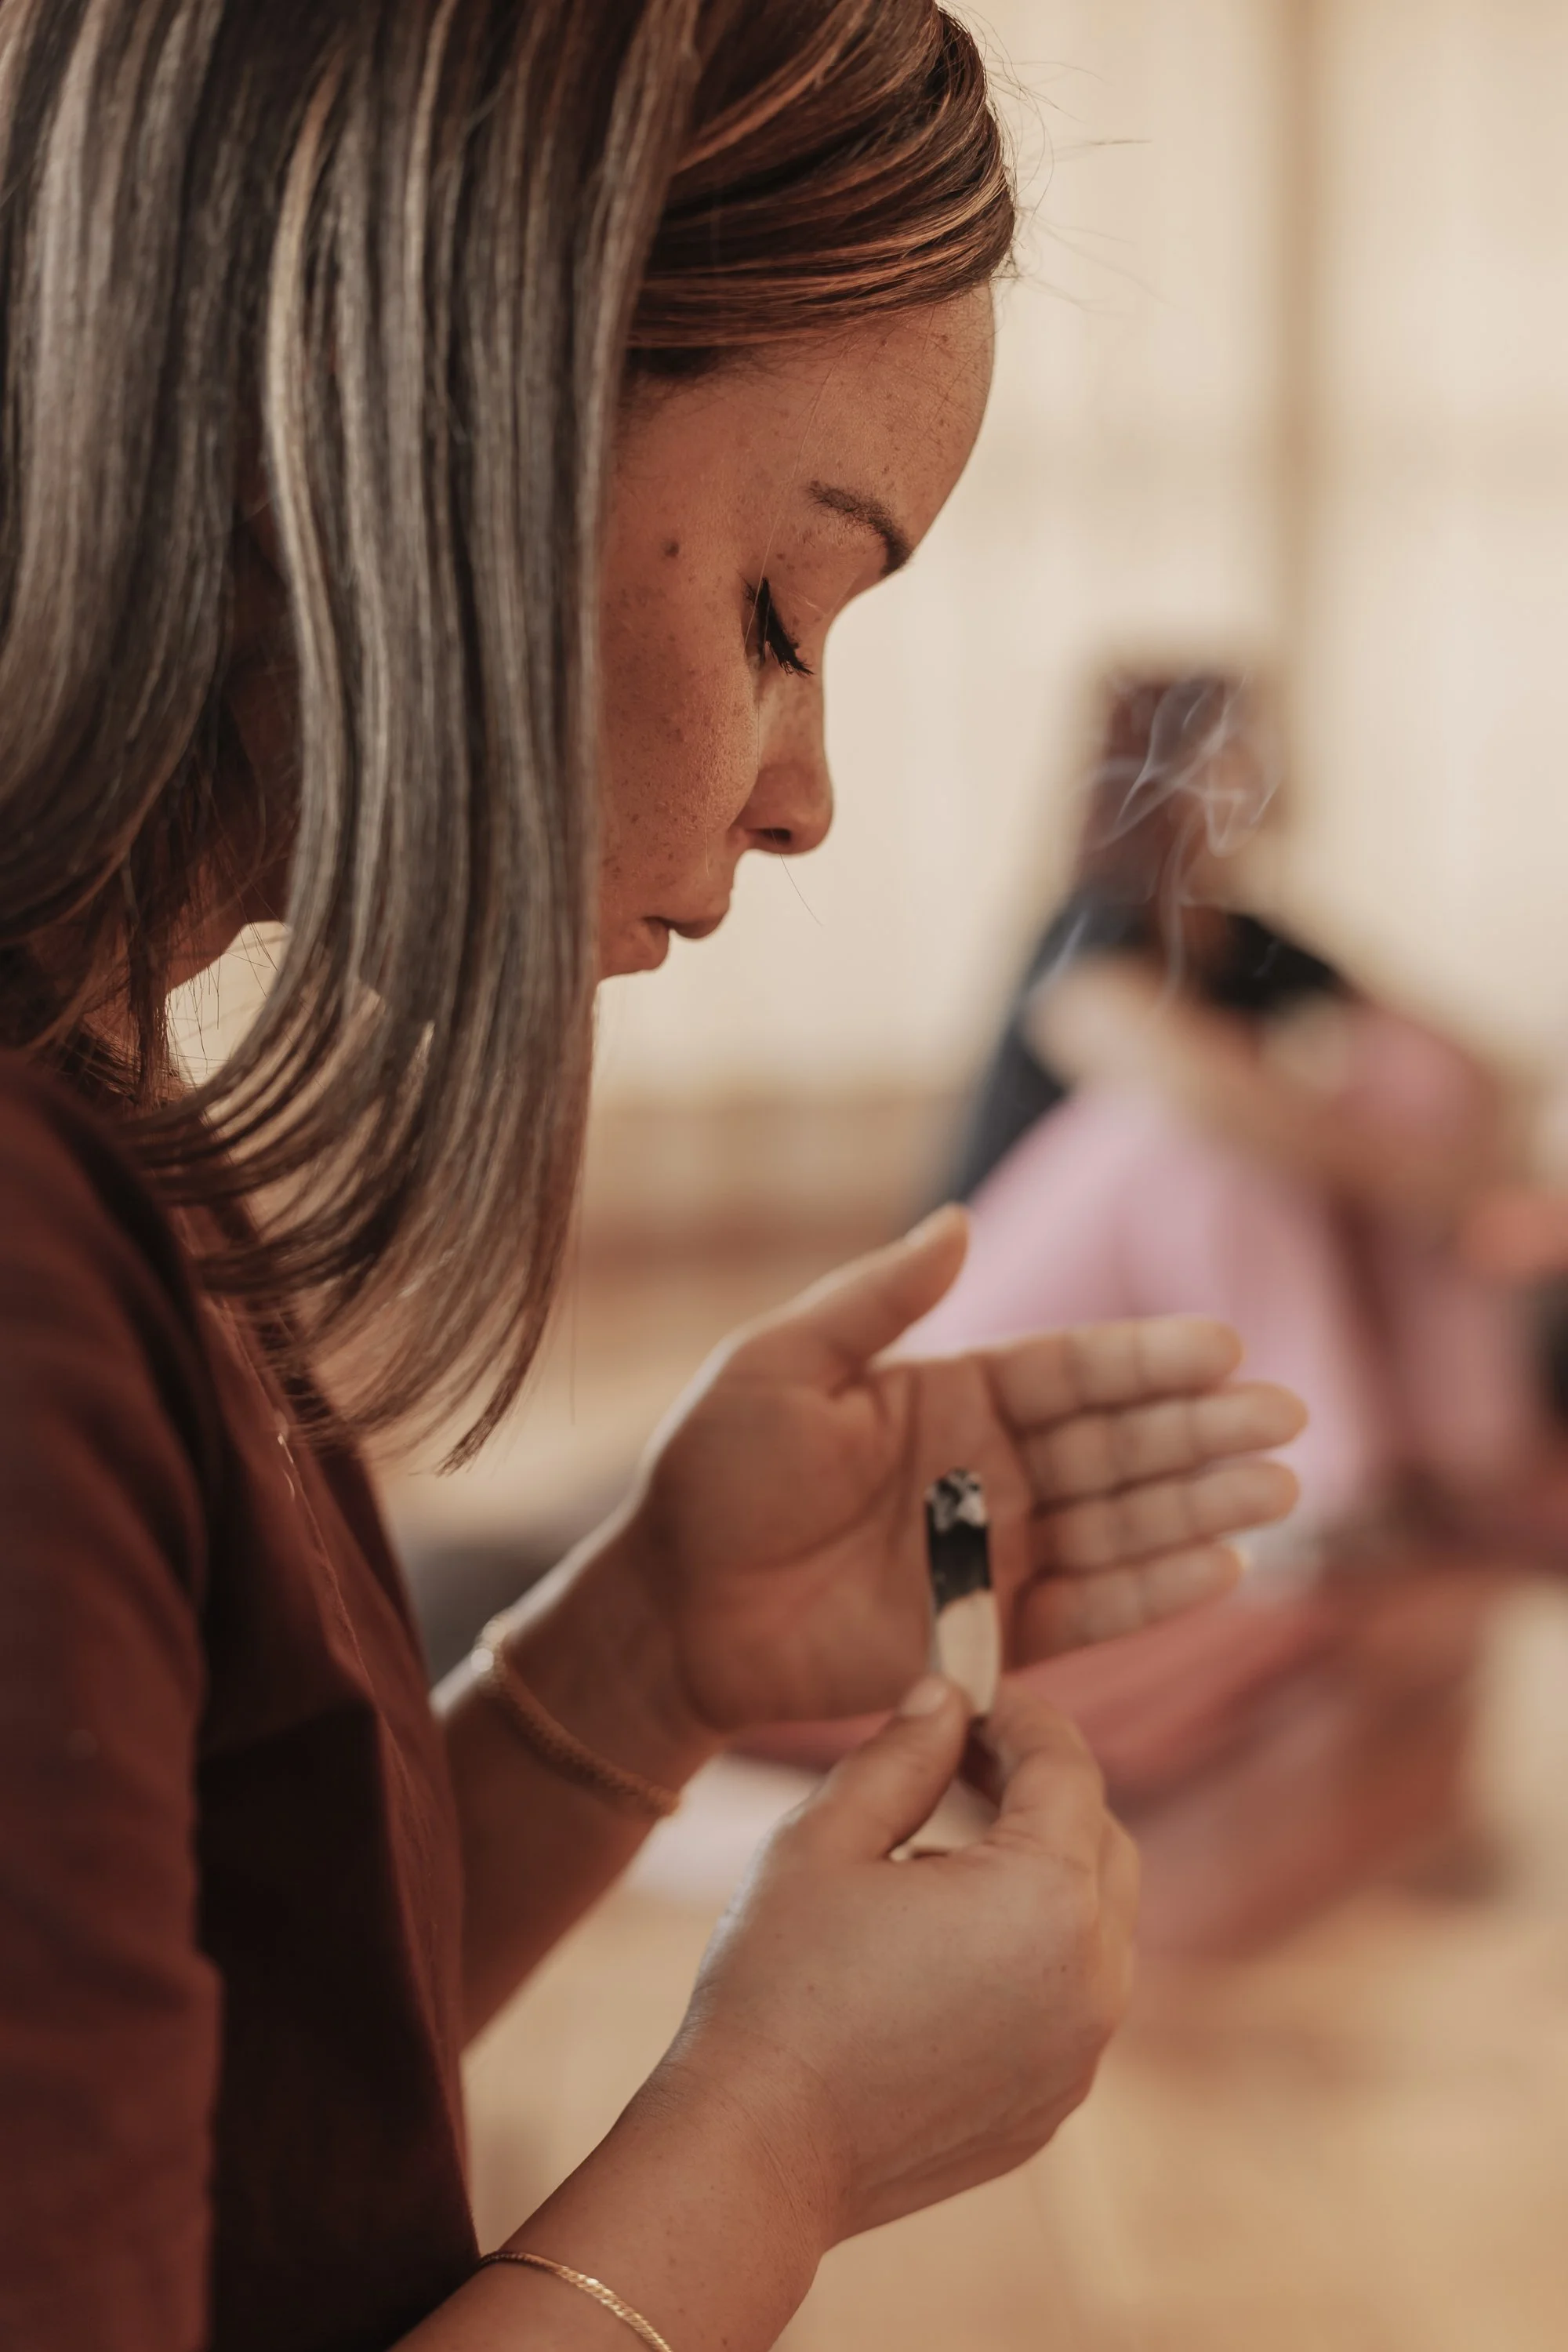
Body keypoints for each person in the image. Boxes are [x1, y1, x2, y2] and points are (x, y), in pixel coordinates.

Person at [0, 11, 1305, 2350]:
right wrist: (777, 2136)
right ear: (419, 403)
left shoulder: (100, 1134)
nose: (806, 797)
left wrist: (643, 1648)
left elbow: (234, 2097)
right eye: (781, 611)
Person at [924, 672, 1545, 1536]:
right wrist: (1421, 1182)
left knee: (1402, 1078)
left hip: (1140, 1331)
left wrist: (1476, 1179)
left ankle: (1458, 1454)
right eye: (1235, 748)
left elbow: (1464, 1065)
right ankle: (1319, 1483)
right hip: (990, 1306)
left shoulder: (1243, 936)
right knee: (1191, 1132)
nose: (1265, 769)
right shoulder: (1092, 931)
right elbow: (1200, 1090)